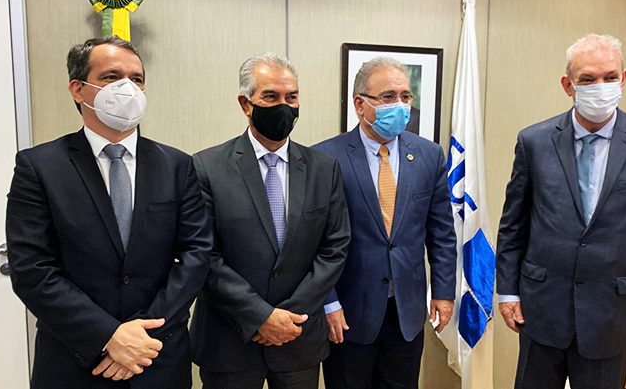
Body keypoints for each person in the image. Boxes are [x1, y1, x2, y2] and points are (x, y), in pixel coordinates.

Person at [6, 37, 213, 389]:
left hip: (157, 353)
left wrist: (143, 335)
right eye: (111, 77)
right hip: (75, 359)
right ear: (78, 89)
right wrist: (108, 336)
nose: (127, 88)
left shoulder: (177, 165)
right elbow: (31, 268)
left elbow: (197, 253)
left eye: (137, 79)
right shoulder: (39, 167)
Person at [496, 33, 626, 389]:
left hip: (612, 314)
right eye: (588, 79)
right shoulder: (534, 141)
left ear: (624, 78)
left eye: (610, 77)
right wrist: (508, 292)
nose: (601, 87)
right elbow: (513, 225)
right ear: (568, 85)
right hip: (541, 307)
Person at [189, 53, 350, 389]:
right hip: (230, 340)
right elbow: (203, 255)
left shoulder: (324, 169)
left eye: (292, 97)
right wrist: (260, 316)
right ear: (245, 104)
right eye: (271, 97)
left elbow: (334, 248)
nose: (284, 106)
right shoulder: (206, 167)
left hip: (298, 336)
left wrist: (288, 318)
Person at [314, 57, 457, 389]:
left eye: (405, 96)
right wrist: (328, 302)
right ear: (359, 104)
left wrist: (443, 292)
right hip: (348, 312)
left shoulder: (429, 155)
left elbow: (442, 233)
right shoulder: (325, 159)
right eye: (389, 97)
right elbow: (314, 242)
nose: (401, 105)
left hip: (407, 311)